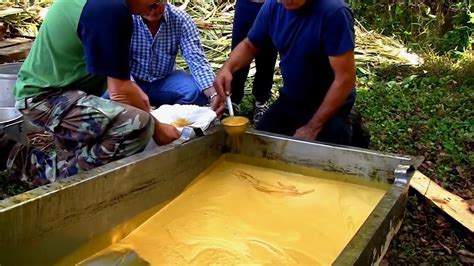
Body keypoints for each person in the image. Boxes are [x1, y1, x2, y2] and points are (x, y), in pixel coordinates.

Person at [0, 0, 181, 186]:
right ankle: (34, 168)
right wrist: (158, 128)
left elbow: (119, 80)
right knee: (139, 124)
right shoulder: (110, 9)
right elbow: (120, 91)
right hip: (45, 98)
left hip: (66, 93)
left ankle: (68, 155)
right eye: (155, 1)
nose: (158, 4)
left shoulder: (107, 6)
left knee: (120, 121)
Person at [214, 0, 359, 146]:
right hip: (291, 100)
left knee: (318, 156)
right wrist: (227, 68)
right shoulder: (273, 6)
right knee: (261, 144)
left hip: (328, 105)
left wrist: (312, 128)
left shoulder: (334, 13)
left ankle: (350, 127)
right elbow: (250, 44)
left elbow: (345, 79)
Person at [103, 3, 224, 114]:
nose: (152, 10)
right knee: (106, 101)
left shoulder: (180, 19)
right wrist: (131, 91)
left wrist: (213, 94)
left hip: (163, 82)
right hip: (131, 81)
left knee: (197, 91)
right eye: (147, 5)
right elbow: (116, 63)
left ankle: (169, 118)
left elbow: (196, 60)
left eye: (157, 4)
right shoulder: (125, 18)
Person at [231, 0, 278, 123]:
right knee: (239, 49)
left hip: (270, 3)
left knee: (267, 57)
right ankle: (233, 100)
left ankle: (261, 101)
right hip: (246, 4)